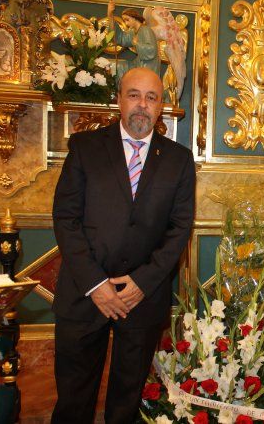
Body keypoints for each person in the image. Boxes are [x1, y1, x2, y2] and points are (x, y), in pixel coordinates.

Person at [51, 67, 196, 423]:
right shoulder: (85, 148)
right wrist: (96, 284)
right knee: (73, 402)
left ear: (160, 106)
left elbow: (179, 228)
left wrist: (142, 283)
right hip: (84, 295)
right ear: (119, 100)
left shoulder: (178, 160)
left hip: (141, 299)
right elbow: (66, 219)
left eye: (151, 98)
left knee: (126, 404)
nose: (142, 105)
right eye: (134, 95)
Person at [107, 2, 160, 81]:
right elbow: (121, 38)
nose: (126, 23)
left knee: (122, 68)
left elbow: (151, 51)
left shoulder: (146, 30)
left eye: (127, 20)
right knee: (117, 66)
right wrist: (110, 16)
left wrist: (137, 44)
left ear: (134, 18)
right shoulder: (133, 32)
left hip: (147, 66)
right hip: (138, 63)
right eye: (124, 21)